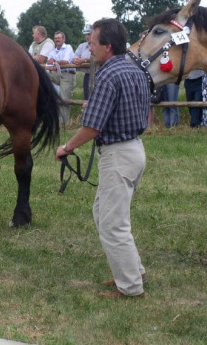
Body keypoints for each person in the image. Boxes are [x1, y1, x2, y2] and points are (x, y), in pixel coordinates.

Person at [55, 18, 149, 299]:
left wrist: (67, 147)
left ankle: (131, 288)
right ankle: (134, 271)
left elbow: (92, 127)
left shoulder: (108, 75)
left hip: (118, 155)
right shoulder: (134, 69)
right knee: (106, 215)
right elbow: (130, 108)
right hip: (134, 149)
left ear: (107, 46)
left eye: (93, 43)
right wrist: (95, 105)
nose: (89, 48)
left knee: (112, 223)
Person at [47, 31, 76, 125]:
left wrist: (55, 62)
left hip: (67, 74)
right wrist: (53, 65)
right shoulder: (53, 51)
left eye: (59, 38)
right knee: (43, 75)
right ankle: (51, 119)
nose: (57, 40)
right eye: (55, 38)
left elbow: (65, 61)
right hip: (57, 73)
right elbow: (48, 63)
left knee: (64, 98)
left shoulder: (68, 47)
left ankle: (64, 123)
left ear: (64, 39)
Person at [73, 24, 93, 99]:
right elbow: (74, 57)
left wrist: (83, 60)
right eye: (86, 34)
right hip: (87, 75)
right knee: (86, 97)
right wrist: (77, 60)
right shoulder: (82, 46)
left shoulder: (99, 45)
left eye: (89, 34)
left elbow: (97, 59)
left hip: (98, 74)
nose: (87, 36)